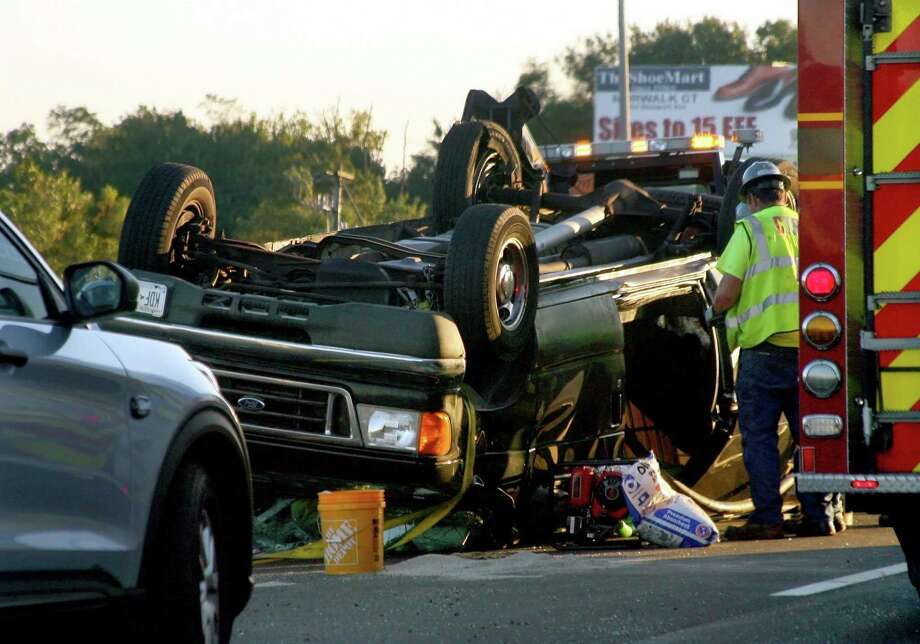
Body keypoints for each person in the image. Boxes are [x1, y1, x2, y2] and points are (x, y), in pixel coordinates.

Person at [709, 161, 841, 540]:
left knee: (762, 438)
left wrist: (713, 309)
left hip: (764, 354)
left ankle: (768, 518)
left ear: (751, 198)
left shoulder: (749, 229)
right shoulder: (809, 225)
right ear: (785, 193)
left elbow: (727, 294)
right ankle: (820, 515)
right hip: (813, 353)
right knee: (812, 436)